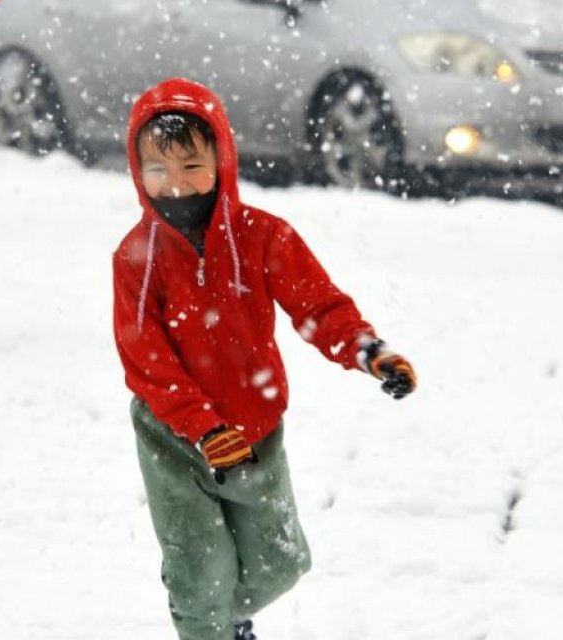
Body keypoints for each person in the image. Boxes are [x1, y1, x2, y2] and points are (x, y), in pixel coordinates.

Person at [112, 78, 418, 640]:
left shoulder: (263, 238)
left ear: (221, 159)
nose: (174, 185)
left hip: (255, 430)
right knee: (199, 573)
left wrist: (366, 350)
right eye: (158, 169)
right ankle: (203, 614)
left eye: (190, 167)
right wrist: (201, 428)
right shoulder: (139, 258)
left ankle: (221, 614)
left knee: (281, 564)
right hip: (172, 438)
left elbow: (318, 305)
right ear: (137, 169)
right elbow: (145, 358)